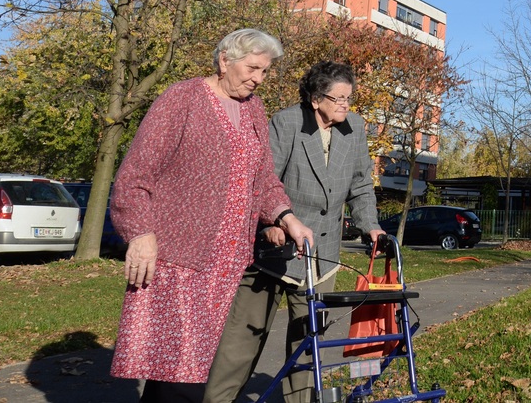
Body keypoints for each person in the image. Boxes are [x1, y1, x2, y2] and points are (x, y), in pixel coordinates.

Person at [108, 28, 314, 403]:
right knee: (180, 378)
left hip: (228, 264)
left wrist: (286, 217)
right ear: (224, 61)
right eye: (252, 68)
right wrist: (139, 233)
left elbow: (263, 180)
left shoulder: (254, 108)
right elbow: (136, 175)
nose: (258, 78)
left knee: (185, 371)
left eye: (264, 71)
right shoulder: (182, 98)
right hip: (179, 260)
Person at [203, 61, 385, 403]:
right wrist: (272, 223)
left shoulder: (355, 128)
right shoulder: (286, 123)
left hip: (322, 254)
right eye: (339, 98)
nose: (346, 105)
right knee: (242, 342)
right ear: (316, 99)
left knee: (307, 344)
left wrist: (370, 225)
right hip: (275, 249)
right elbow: (259, 182)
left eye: (349, 98)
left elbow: (361, 186)